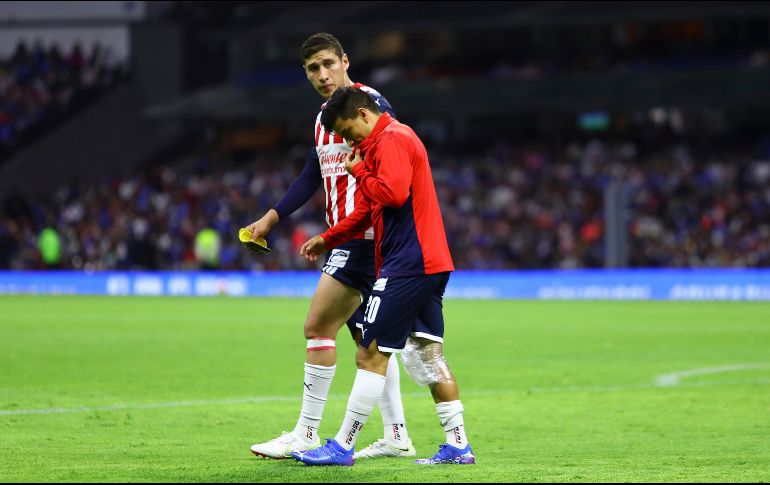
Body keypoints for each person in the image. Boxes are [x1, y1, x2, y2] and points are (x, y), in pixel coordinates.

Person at [246, 33, 416, 460]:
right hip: (355, 236)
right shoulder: (325, 116)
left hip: (362, 236)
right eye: (312, 69)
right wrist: (272, 216)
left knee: (317, 326)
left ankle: (306, 432)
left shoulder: (369, 105)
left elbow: (393, 161)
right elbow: (311, 171)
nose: (322, 75)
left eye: (327, 64)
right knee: (368, 341)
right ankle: (396, 435)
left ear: (345, 60)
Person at [293, 86, 475, 466]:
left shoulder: (389, 140)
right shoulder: (393, 139)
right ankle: (458, 445)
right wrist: (328, 237)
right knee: (428, 355)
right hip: (429, 262)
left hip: (407, 263)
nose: (346, 141)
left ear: (363, 113)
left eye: (347, 131)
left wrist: (357, 170)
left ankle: (342, 446)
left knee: (370, 352)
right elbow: (369, 209)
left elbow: (391, 195)